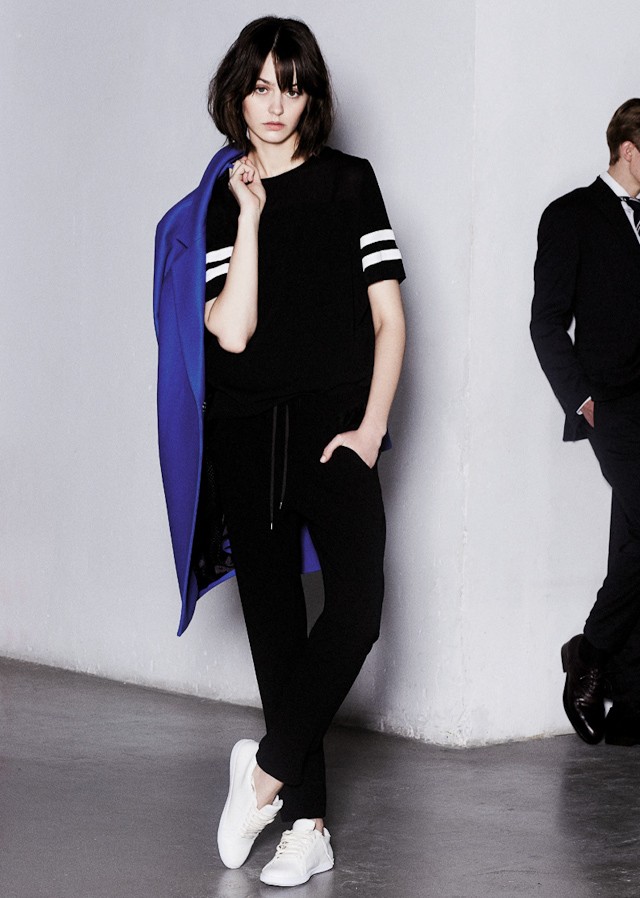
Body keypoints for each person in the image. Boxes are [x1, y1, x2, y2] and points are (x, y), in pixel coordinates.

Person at [158, 16, 406, 887]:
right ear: (237, 95)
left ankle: (262, 774)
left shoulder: (350, 183)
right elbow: (231, 331)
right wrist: (253, 217)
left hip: (335, 433)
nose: (275, 104)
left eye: (291, 87)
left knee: (357, 612)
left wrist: (370, 428)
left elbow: (389, 319)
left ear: (311, 97)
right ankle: (308, 825)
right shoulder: (218, 200)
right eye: (260, 87)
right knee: (278, 636)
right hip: (248, 436)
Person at [531, 98, 640, 748]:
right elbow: (546, 323)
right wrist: (582, 400)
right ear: (629, 148)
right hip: (613, 404)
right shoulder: (570, 214)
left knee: (632, 544)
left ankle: (628, 703)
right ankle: (588, 653)